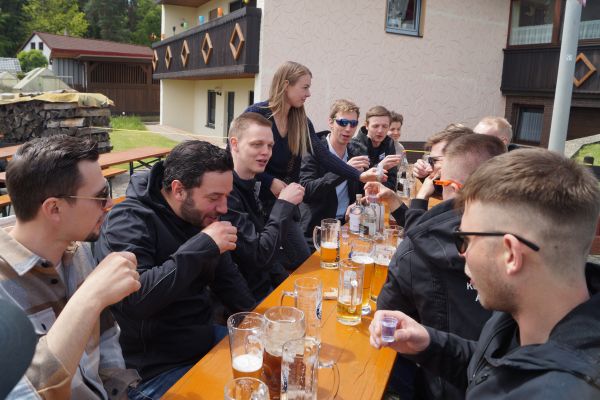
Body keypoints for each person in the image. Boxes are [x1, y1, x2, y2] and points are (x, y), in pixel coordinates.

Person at [371, 148, 600, 399]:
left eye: (466, 240)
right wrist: (429, 343)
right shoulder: (522, 318)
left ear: (511, 254)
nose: (461, 253)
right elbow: (493, 370)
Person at [95, 140, 256, 399]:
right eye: (214, 197)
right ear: (178, 190)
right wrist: (202, 246)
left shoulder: (198, 215)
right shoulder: (128, 220)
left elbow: (229, 282)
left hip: (204, 344)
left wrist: (258, 324)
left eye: (227, 195)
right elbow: (135, 300)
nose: (224, 208)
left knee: (278, 368)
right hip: (153, 372)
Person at [0, 135, 141, 399]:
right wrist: (90, 297)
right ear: (54, 208)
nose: (110, 204)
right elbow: (24, 394)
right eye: (101, 196)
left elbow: (106, 337)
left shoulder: (78, 251)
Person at [375, 133, 506, 399]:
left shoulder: (416, 250)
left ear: (454, 187)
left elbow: (387, 317)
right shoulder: (526, 241)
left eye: (441, 181)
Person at [245, 61, 381, 268]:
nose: (308, 94)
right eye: (305, 87)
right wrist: (269, 180)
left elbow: (323, 156)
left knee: (299, 258)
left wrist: (359, 175)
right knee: (260, 259)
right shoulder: (257, 114)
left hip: (283, 203)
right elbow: (237, 157)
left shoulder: (300, 120)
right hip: (253, 199)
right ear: (286, 85)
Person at [223, 112, 305, 300]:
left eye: (270, 146)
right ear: (234, 144)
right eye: (257, 144)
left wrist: (288, 287)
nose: (266, 152)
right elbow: (259, 256)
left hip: (265, 290)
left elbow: (268, 255)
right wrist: (284, 204)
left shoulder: (252, 183)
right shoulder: (223, 193)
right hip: (245, 303)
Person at [299, 99, 370, 242]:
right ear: (331, 122)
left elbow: (363, 191)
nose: (348, 128)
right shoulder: (313, 149)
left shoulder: (356, 152)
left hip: (348, 226)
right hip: (316, 230)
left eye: (353, 123)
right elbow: (306, 191)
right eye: (343, 122)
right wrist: (344, 170)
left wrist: (359, 203)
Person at [349, 105, 403, 190]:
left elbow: (392, 183)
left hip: (382, 196)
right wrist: (380, 168)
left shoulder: (389, 143)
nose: (380, 131)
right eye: (375, 126)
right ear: (367, 125)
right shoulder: (354, 145)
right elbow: (356, 186)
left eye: (384, 126)